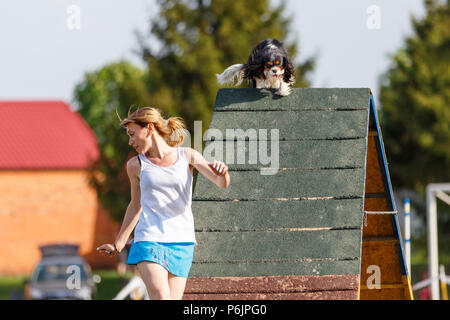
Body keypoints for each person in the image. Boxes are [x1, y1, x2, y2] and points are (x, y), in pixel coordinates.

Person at [97, 107, 230, 300]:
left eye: (132, 134)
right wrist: (118, 244)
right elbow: (135, 205)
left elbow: (221, 183)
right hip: (149, 239)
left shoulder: (188, 156)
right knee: (161, 296)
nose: (130, 141)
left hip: (182, 241)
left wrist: (223, 173)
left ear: (149, 128)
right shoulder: (135, 165)